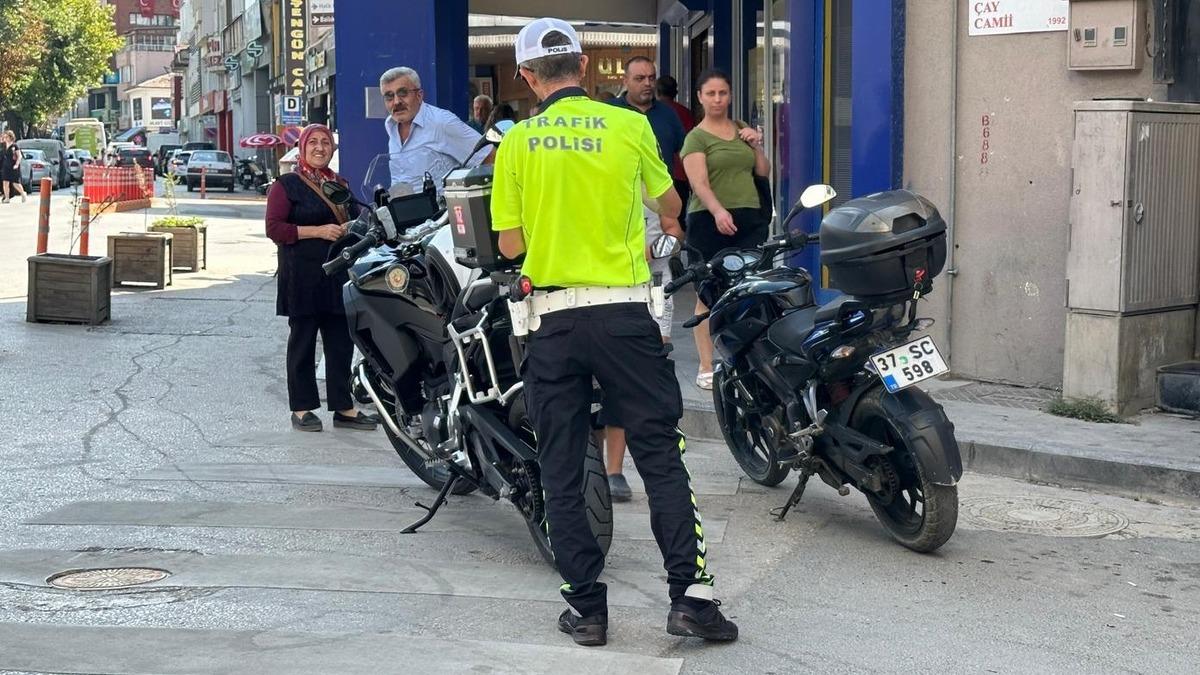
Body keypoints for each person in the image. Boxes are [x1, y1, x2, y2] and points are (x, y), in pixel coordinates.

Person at [492, 17, 738, 647]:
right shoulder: (629, 126)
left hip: (552, 320)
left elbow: (510, 244)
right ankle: (691, 598)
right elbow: (671, 205)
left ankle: (587, 610)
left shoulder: (516, 143)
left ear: (527, 76)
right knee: (660, 454)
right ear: (583, 65)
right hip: (626, 315)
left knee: (561, 464)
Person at [602, 56, 687, 503]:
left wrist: (659, 248)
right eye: (640, 78)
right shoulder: (596, 184)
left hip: (651, 284)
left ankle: (631, 469)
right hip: (601, 288)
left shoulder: (655, 184)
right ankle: (602, 467)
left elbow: (674, 227)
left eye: (652, 78)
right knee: (604, 381)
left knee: (646, 373)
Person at [265, 124, 379, 433]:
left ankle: (343, 408)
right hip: (302, 276)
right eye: (313, 142)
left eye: (325, 142)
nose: (319, 147)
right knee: (302, 343)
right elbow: (274, 228)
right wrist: (317, 231)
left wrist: (354, 227)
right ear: (302, 148)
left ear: (332, 149)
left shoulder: (338, 184)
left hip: (336, 275)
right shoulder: (286, 185)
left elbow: (356, 219)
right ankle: (302, 409)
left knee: (340, 343)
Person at [681, 69, 770, 390]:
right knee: (708, 293)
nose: (717, 99)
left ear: (730, 96)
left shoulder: (741, 128)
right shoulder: (696, 138)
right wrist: (718, 211)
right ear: (700, 97)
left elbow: (762, 171)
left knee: (750, 290)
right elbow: (699, 183)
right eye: (711, 94)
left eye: (722, 93)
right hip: (709, 221)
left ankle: (749, 362)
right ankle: (706, 365)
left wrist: (756, 145)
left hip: (749, 220)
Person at [379, 66, 490, 194]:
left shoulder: (442, 122)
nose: (396, 102)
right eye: (389, 96)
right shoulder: (391, 126)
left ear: (419, 95)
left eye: (403, 93)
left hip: (442, 207)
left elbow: (489, 157)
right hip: (401, 206)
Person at [656, 75, 695, 212]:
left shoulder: (655, 113)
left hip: (660, 175)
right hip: (682, 174)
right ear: (676, 92)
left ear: (657, 91)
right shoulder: (686, 113)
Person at [2, 131, 28, 203]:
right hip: (6, 166)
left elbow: (19, 156)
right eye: (5, 137)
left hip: (13, 166)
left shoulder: (15, 146)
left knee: (15, 183)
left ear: (11, 137)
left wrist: (17, 164)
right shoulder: (4, 146)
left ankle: (23, 194)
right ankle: (7, 198)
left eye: (7, 137)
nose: (5, 138)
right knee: (5, 182)